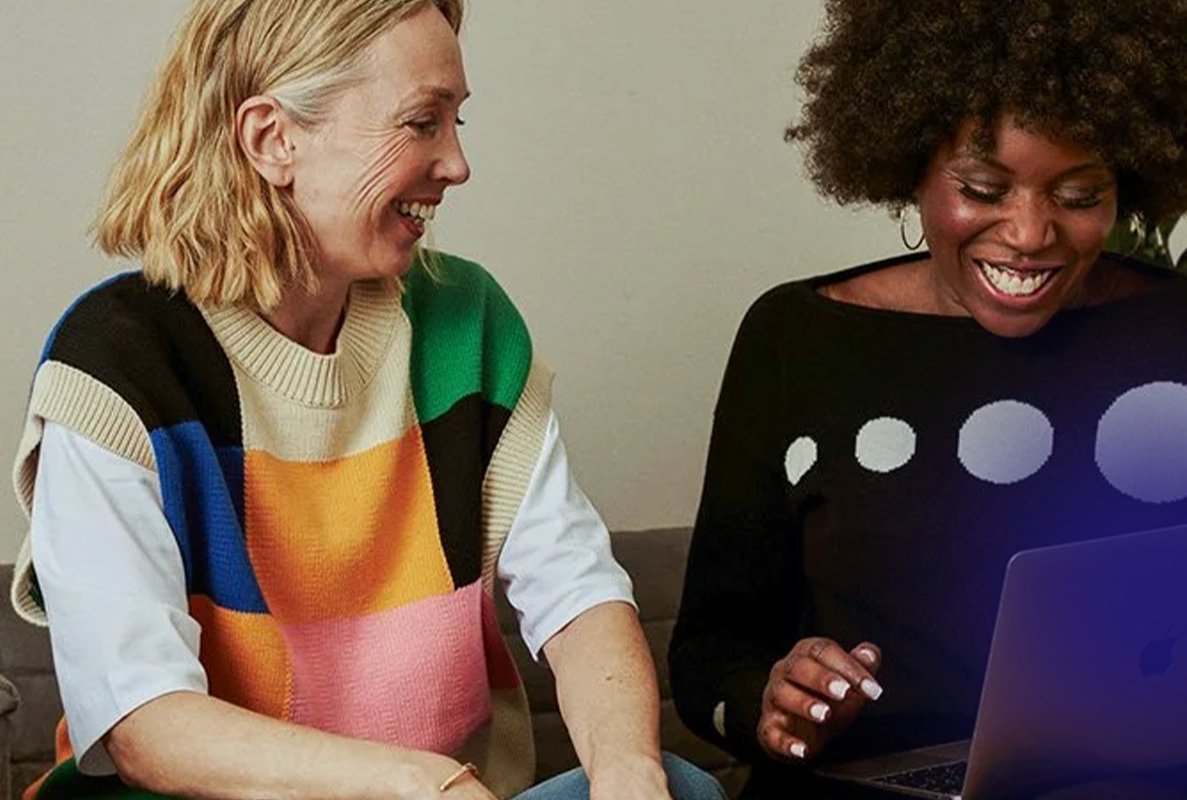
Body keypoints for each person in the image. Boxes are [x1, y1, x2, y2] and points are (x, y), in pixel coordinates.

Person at [667, 1, 1187, 798]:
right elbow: (710, 655)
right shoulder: (795, 340)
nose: (1029, 234)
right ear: (911, 162)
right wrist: (772, 701)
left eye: (1079, 194)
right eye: (983, 188)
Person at [7, 3, 728, 800]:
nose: (456, 164)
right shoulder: (116, 361)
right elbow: (146, 723)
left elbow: (580, 594)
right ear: (272, 138)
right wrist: (428, 785)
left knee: (685, 788)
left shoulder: (468, 323)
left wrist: (629, 770)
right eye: (422, 122)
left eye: (457, 121)